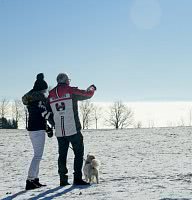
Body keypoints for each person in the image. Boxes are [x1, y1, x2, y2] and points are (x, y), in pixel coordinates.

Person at [48, 73, 96, 186]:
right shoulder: (70, 90)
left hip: (60, 131)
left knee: (62, 155)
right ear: (66, 81)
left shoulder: (50, 94)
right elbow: (87, 94)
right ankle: (77, 178)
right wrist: (92, 89)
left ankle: (63, 180)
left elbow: (48, 112)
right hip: (73, 129)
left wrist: (53, 123)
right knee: (79, 154)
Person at [22, 73, 53, 190]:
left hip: (34, 128)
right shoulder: (40, 101)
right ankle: (30, 180)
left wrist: (47, 128)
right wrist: (49, 127)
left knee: (37, 155)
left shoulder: (31, 100)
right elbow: (44, 115)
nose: (46, 91)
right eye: (44, 89)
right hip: (37, 129)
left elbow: (40, 116)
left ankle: (35, 179)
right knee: (37, 155)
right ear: (42, 90)